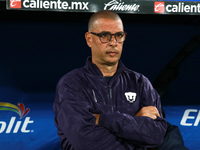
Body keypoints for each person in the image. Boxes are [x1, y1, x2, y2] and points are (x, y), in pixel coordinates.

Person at [53, 10, 167, 150]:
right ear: (89, 39)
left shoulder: (140, 83)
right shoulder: (71, 84)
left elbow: (155, 135)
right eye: (105, 36)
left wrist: (102, 119)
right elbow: (85, 142)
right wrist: (135, 120)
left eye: (119, 35)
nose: (113, 43)